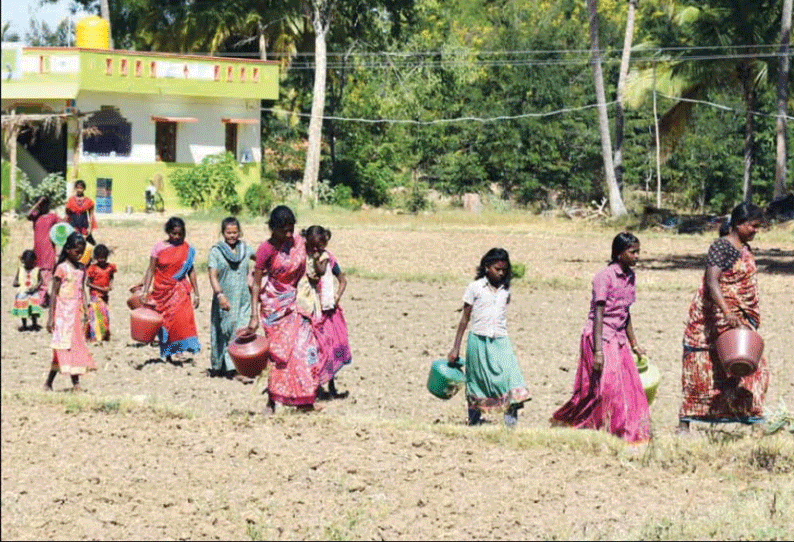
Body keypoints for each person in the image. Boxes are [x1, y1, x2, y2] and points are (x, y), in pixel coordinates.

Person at [678, 202, 768, 433]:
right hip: (715, 317)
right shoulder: (722, 247)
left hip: (740, 318)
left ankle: (751, 417)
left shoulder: (744, 248)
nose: (756, 230)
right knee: (703, 367)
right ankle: (686, 421)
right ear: (739, 224)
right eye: (753, 226)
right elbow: (712, 281)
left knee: (750, 365)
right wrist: (727, 311)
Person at [551, 233, 650, 443]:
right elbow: (599, 313)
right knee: (604, 388)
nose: (637, 256)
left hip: (619, 337)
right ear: (619, 253)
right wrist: (598, 351)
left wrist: (635, 344)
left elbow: (626, 313)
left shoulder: (631, 277)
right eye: (632, 252)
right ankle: (590, 424)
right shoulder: (604, 277)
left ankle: (625, 432)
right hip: (601, 336)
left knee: (630, 389)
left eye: (638, 252)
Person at [246, 205, 321, 413]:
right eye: (284, 230)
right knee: (279, 356)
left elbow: (312, 251)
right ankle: (272, 401)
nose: (288, 234)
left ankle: (305, 401)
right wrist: (253, 316)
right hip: (274, 308)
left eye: (291, 229)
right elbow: (256, 286)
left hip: (296, 304)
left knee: (304, 349)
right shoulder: (265, 250)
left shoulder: (297, 241)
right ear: (273, 228)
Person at [447, 248, 531, 427]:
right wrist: (456, 347)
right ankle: (474, 422)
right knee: (476, 381)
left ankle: (511, 426)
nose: (501, 273)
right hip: (478, 340)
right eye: (497, 269)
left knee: (511, 379)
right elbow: (464, 319)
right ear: (486, 267)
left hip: (501, 340)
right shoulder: (475, 288)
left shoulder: (505, 291)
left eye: (504, 270)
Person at [139, 217, 201, 362]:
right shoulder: (158, 248)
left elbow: (190, 270)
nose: (177, 237)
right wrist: (145, 290)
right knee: (164, 322)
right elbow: (151, 270)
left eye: (180, 234)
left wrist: (196, 293)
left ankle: (179, 349)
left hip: (179, 288)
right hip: (161, 291)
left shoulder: (187, 249)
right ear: (168, 232)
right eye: (174, 234)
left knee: (180, 319)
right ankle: (167, 352)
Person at [303, 225, 352, 400]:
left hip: (330, 312)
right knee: (317, 350)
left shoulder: (328, 258)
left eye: (320, 246)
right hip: (313, 311)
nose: (316, 250)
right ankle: (314, 385)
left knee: (332, 348)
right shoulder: (303, 259)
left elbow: (342, 280)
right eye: (313, 246)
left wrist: (337, 297)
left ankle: (330, 384)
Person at [45, 232, 96, 392]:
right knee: (62, 347)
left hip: (76, 314)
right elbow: (54, 292)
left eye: (81, 253)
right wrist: (50, 317)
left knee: (75, 346)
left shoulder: (81, 269)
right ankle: (49, 381)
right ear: (68, 250)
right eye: (76, 252)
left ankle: (75, 383)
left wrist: (87, 309)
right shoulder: (61, 268)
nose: (79, 255)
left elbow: (82, 291)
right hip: (63, 315)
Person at [208, 217, 255, 382]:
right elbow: (212, 275)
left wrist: (256, 274)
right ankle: (228, 367)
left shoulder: (245, 249)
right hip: (226, 297)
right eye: (228, 232)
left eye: (235, 232)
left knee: (241, 329)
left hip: (244, 297)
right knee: (227, 329)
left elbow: (261, 260)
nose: (232, 236)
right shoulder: (216, 251)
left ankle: (237, 367)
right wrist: (219, 294)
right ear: (223, 233)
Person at [26, 195, 60, 307]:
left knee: (45, 280)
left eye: (44, 204)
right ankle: (46, 299)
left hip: (48, 252)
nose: (42, 206)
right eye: (40, 204)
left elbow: (63, 228)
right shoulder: (36, 216)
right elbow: (27, 215)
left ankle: (39, 302)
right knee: (36, 278)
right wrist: (37, 203)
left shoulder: (53, 217)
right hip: (37, 253)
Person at [85, 244, 117, 343]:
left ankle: (104, 335)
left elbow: (111, 276)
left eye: (103, 258)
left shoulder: (109, 267)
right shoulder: (92, 268)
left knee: (105, 315)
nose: (101, 260)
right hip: (95, 295)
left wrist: (110, 285)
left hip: (105, 296)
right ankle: (94, 336)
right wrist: (100, 288)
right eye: (99, 258)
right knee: (95, 316)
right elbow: (88, 283)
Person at [12, 249, 43, 331]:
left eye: (31, 262)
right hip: (23, 292)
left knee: (34, 309)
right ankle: (24, 325)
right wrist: (16, 283)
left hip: (33, 293)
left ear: (34, 261)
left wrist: (37, 285)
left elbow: (41, 280)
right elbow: (15, 280)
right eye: (27, 262)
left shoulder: (36, 270)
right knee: (23, 309)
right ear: (23, 261)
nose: (29, 264)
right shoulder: (21, 269)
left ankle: (34, 324)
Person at [65, 180, 97, 244]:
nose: (79, 190)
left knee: (85, 243)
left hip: (84, 225)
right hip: (73, 224)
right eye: (78, 188)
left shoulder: (88, 201)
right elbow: (67, 215)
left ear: (84, 189)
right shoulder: (71, 200)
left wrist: (90, 228)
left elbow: (91, 215)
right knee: (73, 243)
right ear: (75, 188)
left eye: (81, 188)